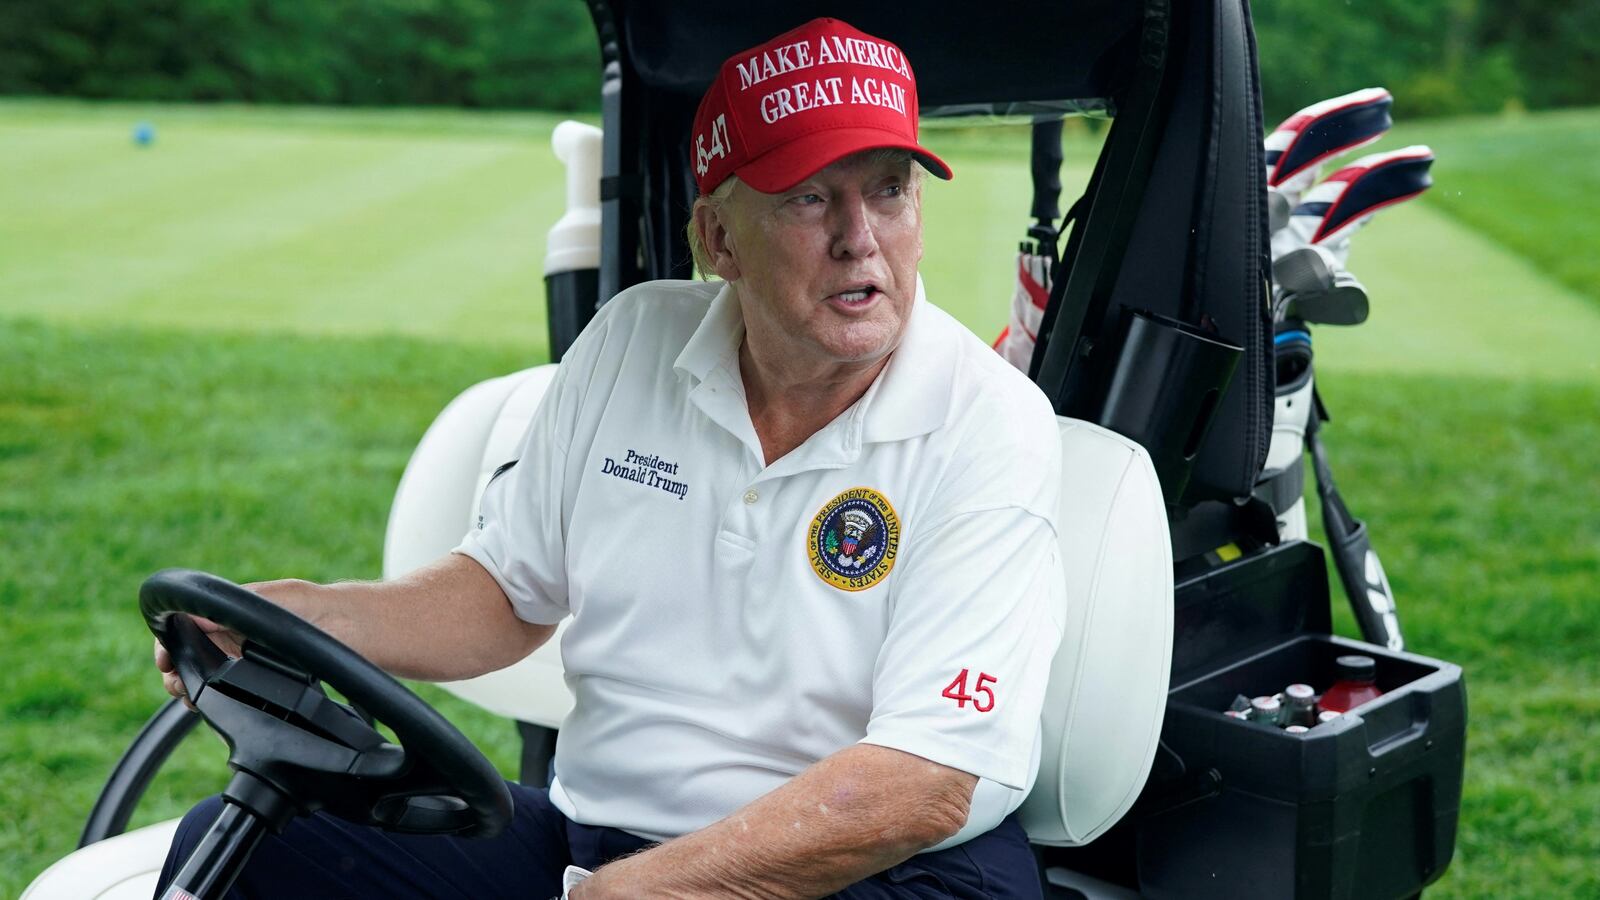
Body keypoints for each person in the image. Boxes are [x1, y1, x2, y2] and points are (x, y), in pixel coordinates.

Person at [157, 17, 1064, 899]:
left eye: (891, 190)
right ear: (717, 240)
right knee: (242, 847)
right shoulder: (632, 341)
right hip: (603, 841)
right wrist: (296, 618)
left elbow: (926, 779)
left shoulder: (985, 423)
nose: (860, 237)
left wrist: (633, 894)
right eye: (809, 197)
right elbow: (504, 594)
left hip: (883, 869)